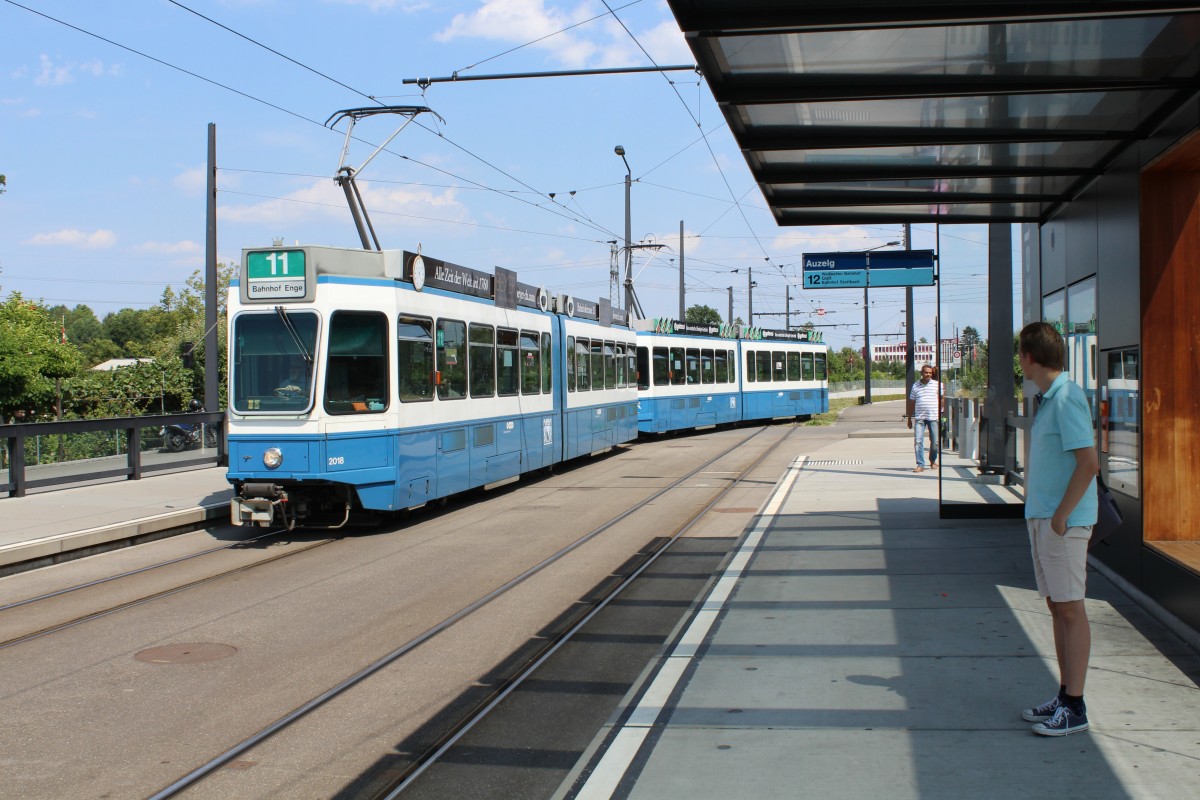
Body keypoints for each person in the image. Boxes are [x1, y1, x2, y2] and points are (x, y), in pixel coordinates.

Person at [1018, 321, 1098, 737]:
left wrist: (1062, 516)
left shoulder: (1067, 398)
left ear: (1029, 356)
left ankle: (1076, 705)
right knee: (1056, 606)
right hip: (1046, 518)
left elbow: (1089, 463)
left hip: (1061, 522)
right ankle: (1065, 694)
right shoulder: (1050, 398)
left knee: (1071, 608)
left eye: (1020, 353)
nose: (1019, 360)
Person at [905, 363, 943, 472]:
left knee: (935, 441)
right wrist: (909, 418)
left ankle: (932, 460)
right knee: (918, 441)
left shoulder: (937, 385)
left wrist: (941, 412)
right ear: (922, 373)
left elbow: (941, 399)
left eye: (930, 373)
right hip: (920, 418)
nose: (928, 375)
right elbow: (911, 402)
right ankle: (920, 464)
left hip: (933, 417)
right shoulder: (915, 386)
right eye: (926, 372)